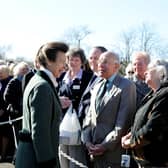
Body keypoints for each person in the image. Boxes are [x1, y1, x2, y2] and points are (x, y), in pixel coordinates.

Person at [15, 42, 69, 168]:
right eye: (62, 61)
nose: (65, 67)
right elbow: (40, 131)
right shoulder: (42, 86)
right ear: (49, 61)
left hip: (32, 156)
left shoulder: (39, 81)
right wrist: (47, 163)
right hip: (36, 160)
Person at [82, 51, 136, 168]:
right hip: (94, 153)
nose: (100, 65)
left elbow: (123, 123)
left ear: (116, 66)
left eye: (105, 62)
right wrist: (87, 142)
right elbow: (89, 118)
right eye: (99, 62)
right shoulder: (97, 86)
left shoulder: (127, 86)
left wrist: (104, 146)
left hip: (113, 155)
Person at [121, 63, 168, 168]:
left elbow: (152, 129)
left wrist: (130, 142)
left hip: (157, 161)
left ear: (161, 73)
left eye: (150, 69)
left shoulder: (165, 95)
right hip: (144, 161)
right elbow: (140, 121)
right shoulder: (152, 94)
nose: (145, 72)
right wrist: (129, 134)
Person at [58, 48, 93, 168]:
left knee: (76, 156)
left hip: (79, 122)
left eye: (76, 60)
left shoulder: (89, 77)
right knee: (63, 153)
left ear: (82, 61)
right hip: (63, 122)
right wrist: (60, 101)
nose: (73, 62)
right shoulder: (61, 76)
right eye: (70, 59)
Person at [0, 65, 13, 162]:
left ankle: (4, 155)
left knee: (5, 134)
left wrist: (4, 109)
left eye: (1, 72)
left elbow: (10, 98)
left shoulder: (10, 82)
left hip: (6, 113)